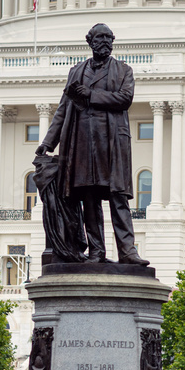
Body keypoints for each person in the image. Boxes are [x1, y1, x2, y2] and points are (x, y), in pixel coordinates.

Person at [35, 23, 149, 266]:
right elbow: (63, 111)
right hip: (82, 144)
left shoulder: (123, 70)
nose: (105, 42)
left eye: (109, 38)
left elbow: (124, 99)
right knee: (90, 201)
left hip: (112, 144)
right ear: (90, 41)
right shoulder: (76, 71)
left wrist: (89, 95)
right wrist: (48, 142)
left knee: (119, 199)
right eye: (100, 38)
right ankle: (97, 252)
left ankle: (128, 251)